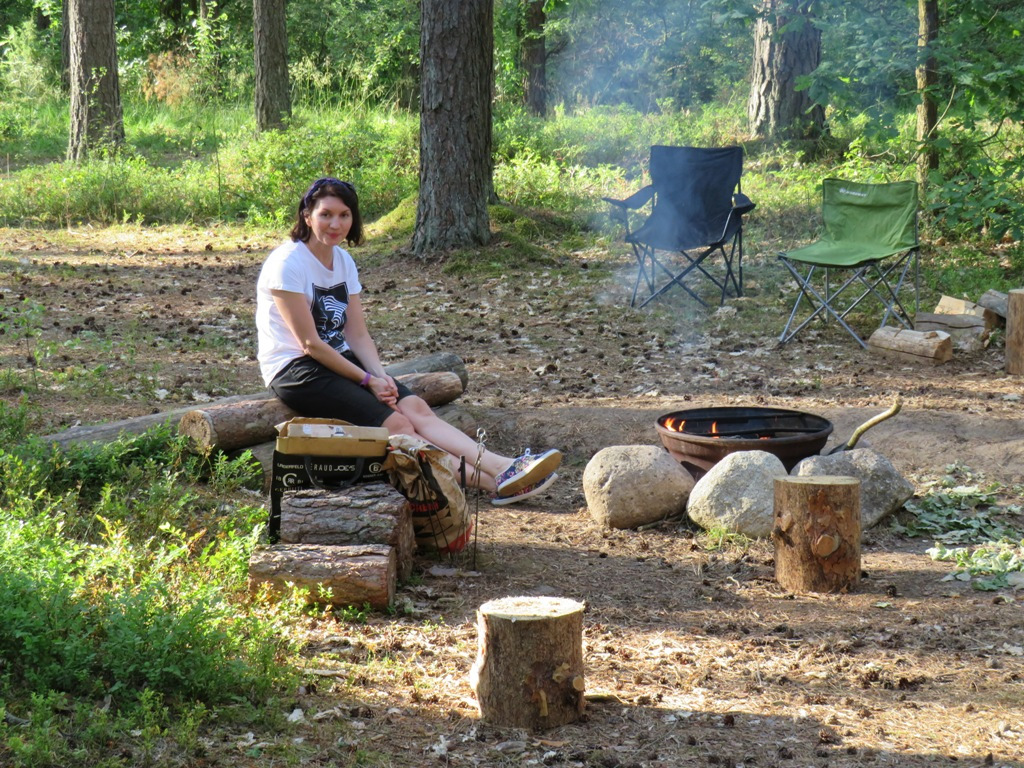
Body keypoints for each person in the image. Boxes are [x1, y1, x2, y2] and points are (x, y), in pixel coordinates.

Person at [256, 177, 561, 505]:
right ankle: (494, 482)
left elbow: (357, 334)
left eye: (344, 215)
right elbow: (310, 344)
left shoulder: (343, 261)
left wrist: (381, 376)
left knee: (413, 406)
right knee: (398, 424)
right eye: (326, 214)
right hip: (297, 369)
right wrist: (367, 380)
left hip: (339, 358)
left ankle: (503, 469)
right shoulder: (287, 263)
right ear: (307, 216)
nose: (335, 224)